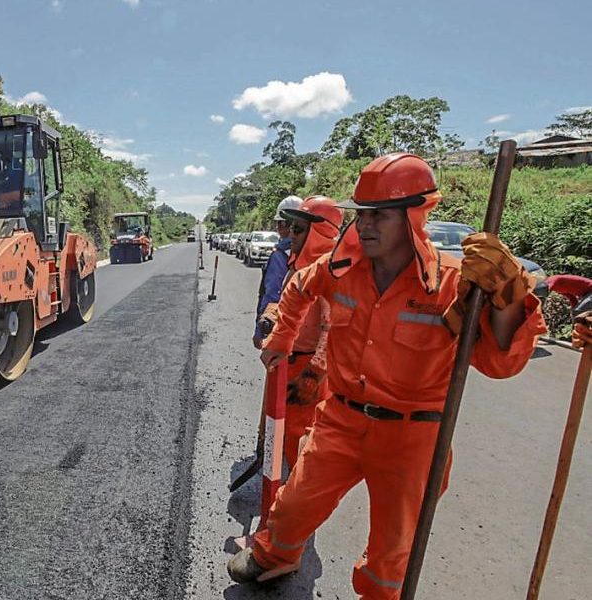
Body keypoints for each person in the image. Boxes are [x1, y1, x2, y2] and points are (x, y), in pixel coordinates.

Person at [228, 153, 547, 599]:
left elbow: (501, 364)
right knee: (295, 502)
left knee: (394, 546)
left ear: (414, 216)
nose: (365, 225)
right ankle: (275, 554)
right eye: (362, 214)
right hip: (340, 419)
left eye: (380, 215)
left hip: (413, 437)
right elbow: (298, 287)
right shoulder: (341, 269)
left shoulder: (454, 285)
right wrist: (282, 338)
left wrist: (507, 300)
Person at [255, 196, 342, 471]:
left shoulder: (329, 270)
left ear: (319, 231)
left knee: (300, 436)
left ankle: (295, 489)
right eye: (291, 227)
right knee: (283, 430)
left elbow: (331, 327)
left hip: (307, 367)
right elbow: (285, 302)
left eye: (298, 229)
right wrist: (271, 315)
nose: (290, 234)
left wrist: (314, 373)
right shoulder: (298, 265)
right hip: (288, 362)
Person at [253, 195, 302, 349]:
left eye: (279, 224)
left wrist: (260, 331)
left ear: (285, 225)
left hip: (283, 329)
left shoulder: (280, 255)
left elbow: (273, 294)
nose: (277, 228)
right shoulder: (315, 253)